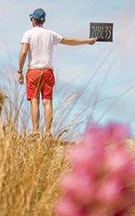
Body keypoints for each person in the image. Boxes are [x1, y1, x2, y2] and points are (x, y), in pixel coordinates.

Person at [17, 8, 97, 136]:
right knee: (47, 101)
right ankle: (48, 133)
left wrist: (20, 71)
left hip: (33, 71)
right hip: (48, 71)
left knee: (34, 100)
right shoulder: (51, 34)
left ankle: (35, 132)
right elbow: (68, 41)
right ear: (44, 20)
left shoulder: (28, 34)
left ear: (33, 20)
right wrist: (87, 41)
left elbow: (23, 52)